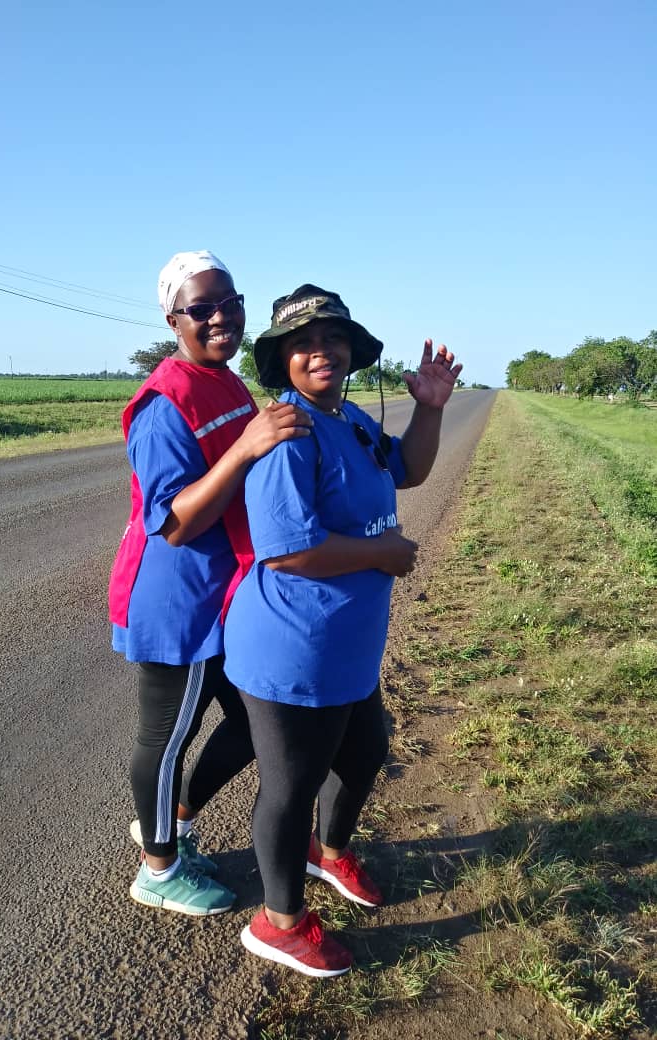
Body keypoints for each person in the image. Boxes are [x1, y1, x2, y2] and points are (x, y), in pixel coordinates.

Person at [223, 284, 462, 975]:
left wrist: (430, 408)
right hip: (294, 650)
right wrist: (384, 554)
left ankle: (327, 853)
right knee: (290, 787)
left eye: (332, 338)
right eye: (303, 342)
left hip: (346, 647)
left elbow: (410, 469)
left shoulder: (351, 420)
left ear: (353, 351)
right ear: (282, 360)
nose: (320, 350)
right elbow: (287, 548)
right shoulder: (287, 432)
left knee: (363, 754)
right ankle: (279, 922)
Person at [109, 252, 311, 917]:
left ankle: (175, 819)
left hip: (225, 591)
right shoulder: (164, 404)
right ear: (175, 319)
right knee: (166, 735)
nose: (221, 316)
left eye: (231, 302)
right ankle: (158, 869)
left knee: (258, 720)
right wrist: (247, 447)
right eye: (203, 308)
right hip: (178, 601)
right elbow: (171, 522)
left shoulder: (223, 380)